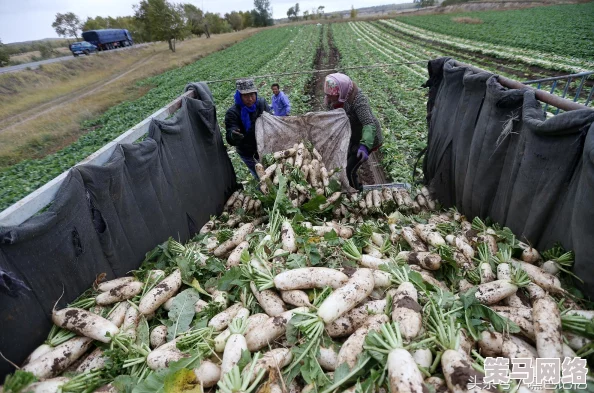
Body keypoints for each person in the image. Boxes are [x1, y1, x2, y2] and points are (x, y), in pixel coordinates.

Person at [324, 73, 383, 190]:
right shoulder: (330, 99)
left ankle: (356, 195)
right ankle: (352, 187)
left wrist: (365, 146)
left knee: (348, 169)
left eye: (333, 96)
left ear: (342, 92)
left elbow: (368, 124)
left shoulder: (358, 99)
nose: (330, 99)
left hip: (368, 136)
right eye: (328, 95)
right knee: (342, 164)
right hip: (351, 136)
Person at [225, 78, 271, 179]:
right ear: (239, 96)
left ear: (255, 93)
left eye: (252, 95)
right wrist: (233, 135)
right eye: (245, 96)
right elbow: (230, 135)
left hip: (266, 147)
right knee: (261, 178)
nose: (250, 99)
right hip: (249, 153)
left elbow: (272, 120)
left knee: (272, 171)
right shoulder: (233, 113)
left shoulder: (261, 104)